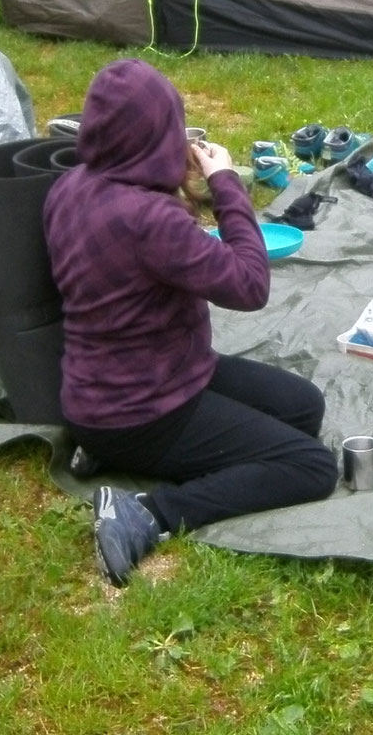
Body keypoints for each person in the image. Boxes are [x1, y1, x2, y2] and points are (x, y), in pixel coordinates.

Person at [43, 59, 338, 585]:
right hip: (141, 409)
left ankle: (103, 451)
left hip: (124, 381)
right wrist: (225, 183)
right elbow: (250, 286)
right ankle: (147, 513)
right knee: (310, 467)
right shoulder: (151, 220)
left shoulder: (71, 186)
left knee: (302, 407)